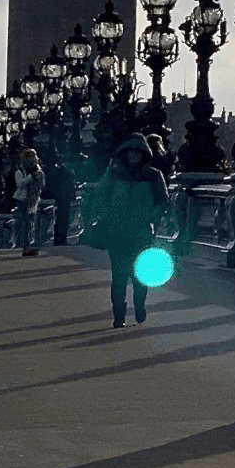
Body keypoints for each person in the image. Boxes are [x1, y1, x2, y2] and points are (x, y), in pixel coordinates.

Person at [94, 134, 168, 328]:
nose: (133, 157)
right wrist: (104, 215)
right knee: (119, 275)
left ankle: (139, 305)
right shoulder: (114, 173)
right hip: (117, 231)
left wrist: (153, 216)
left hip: (141, 231)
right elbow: (101, 196)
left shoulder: (153, 175)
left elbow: (162, 200)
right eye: (130, 153)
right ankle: (119, 314)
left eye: (137, 153)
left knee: (140, 275)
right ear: (125, 154)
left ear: (143, 155)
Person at [13, 147, 45, 256]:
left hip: (33, 199)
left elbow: (42, 184)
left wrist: (37, 176)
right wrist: (31, 177)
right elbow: (20, 184)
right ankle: (25, 246)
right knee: (26, 222)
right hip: (22, 200)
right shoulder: (19, 172)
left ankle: (28, 246)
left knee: (30, 223)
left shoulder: (37, 170)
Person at [46, 150, 77, 247]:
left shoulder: (61, 171)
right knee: (62, 218)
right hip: (63, 197)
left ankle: (60, 238)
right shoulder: (64, 171)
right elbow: (69, 184)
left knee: (62, 219)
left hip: (62, 197)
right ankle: (60, 238)